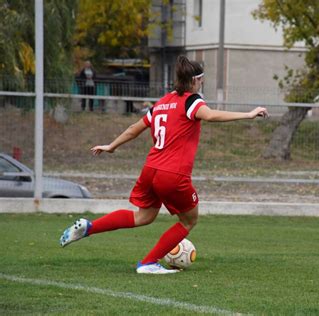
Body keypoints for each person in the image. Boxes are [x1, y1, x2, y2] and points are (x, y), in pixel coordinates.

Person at [59, 55, 268, 274]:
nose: (202, 83)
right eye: (202, 79)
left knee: (144, 216)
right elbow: (211, 115)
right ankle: (148, 263)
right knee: (189, 221)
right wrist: (248, 114)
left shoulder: (162, 102)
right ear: (196, 80)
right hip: (172, 174)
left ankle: (89, 227)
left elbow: (134, 128)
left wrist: (112, 146)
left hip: (150, 169)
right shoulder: (192, 100)